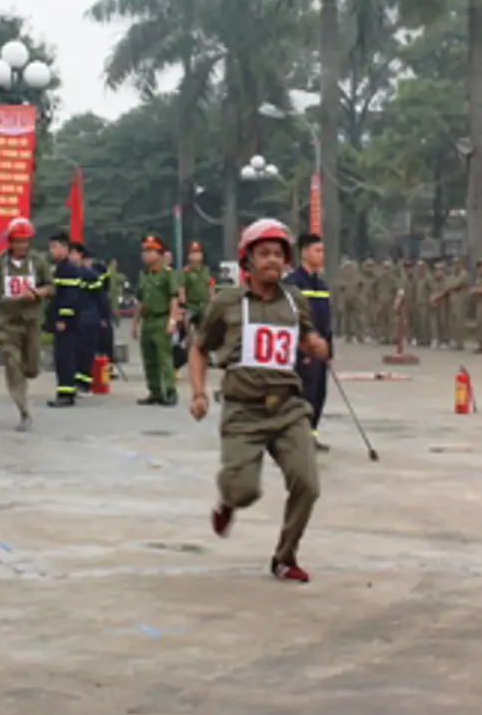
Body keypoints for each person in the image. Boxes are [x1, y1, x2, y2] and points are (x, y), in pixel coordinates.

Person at [190, 218, 330, 584]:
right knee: (244, 489)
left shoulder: (294, 299)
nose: (271, 261)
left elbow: (309, 339)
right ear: (247, 260)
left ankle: (285, 557)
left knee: (308, 484)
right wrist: (199, 393)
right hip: (244, 410)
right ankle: (229, 502)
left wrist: (316, 346)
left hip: (287, 408)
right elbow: (200, 348)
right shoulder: (227, 301)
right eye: (263, 253)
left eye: (278, 254)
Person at [0, 220, 53, 429]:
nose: (21, 246)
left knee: (32, 368)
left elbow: (51, 286)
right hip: (7, 322)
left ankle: (27, 375)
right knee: (13, 364)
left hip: (31, 321)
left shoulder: (37, 262)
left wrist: (38, 292)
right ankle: (24, 410)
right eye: (17, 242)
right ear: (10, 242)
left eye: (24, 242)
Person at [281, 232, 334, 453]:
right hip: (301, 348)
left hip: (321, 348)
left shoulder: (321, 285)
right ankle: (295, 436)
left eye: (322, 251)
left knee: (319, 393)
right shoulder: (292, 284)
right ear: (304, 252)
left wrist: (329, 349)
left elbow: (326, 318)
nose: (321, 255)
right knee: (303, 393)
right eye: (317, 250)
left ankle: (311, 433)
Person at [134, 234, 180, 409]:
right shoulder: (144, 275)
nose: (146, 255)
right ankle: (155, 391)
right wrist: (134, 323)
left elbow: (174, 298)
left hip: (161, 319)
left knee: (164, 358)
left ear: (160, 254)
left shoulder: (168, 274)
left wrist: (172, 321)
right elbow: (140, 300)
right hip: (148, 320)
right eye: (144, 251)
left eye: (150, 251)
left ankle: (169, 392)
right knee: (149, 358)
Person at [47, 234, 87, 409]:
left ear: (64, 248)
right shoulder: (62, 267)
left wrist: (63, 318)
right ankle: (65, 391)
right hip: (66, 321)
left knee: (65, 357)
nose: (51, 251)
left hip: (67, 322)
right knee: (62, 356)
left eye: (54, 247)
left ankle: (66, 394)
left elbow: (69, 297)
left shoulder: (67, 269)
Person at [67, 242, 101, 393]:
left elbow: (100, 298)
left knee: (86, 352)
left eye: (73, 253)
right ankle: (75, 381)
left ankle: (84, 383)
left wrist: (103, 318)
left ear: (80, 256)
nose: (70, 256)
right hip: (75, 318)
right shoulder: (68, 273)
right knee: (74, 351)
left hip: (89, 318)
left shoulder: (90, 275)